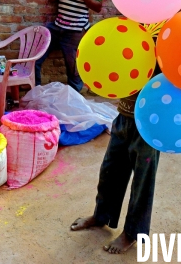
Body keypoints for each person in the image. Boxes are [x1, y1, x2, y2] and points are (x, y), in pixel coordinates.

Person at [70, 59, 161, 254]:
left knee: (142, 182)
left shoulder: (167, 38)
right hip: (124, 114)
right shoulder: (134, 30)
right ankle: (101, 215)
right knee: (109, 170)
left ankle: (132, 233)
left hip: (151, 122)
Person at [35, 0, 103, 92]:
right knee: (36, 58)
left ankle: (74, 97)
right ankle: (35, 91)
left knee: (73, 69)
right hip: (56, 27)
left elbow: (98, 7)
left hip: (75, 31)